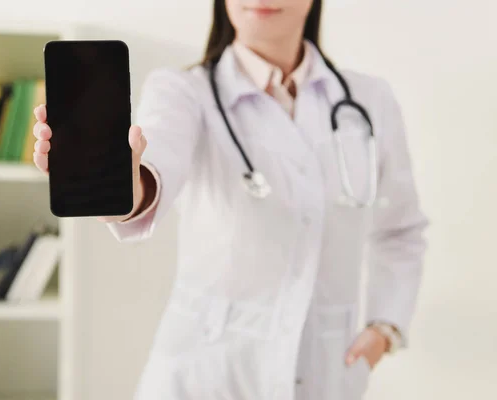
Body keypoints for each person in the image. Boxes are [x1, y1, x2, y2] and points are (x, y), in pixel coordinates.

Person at [33, 0, 429, 399]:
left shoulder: (369, 100)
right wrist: (123, 186)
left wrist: (385, 328)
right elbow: (156, 165)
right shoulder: (183, 91)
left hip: (324, 370)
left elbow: (401, 230)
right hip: (204, 373)